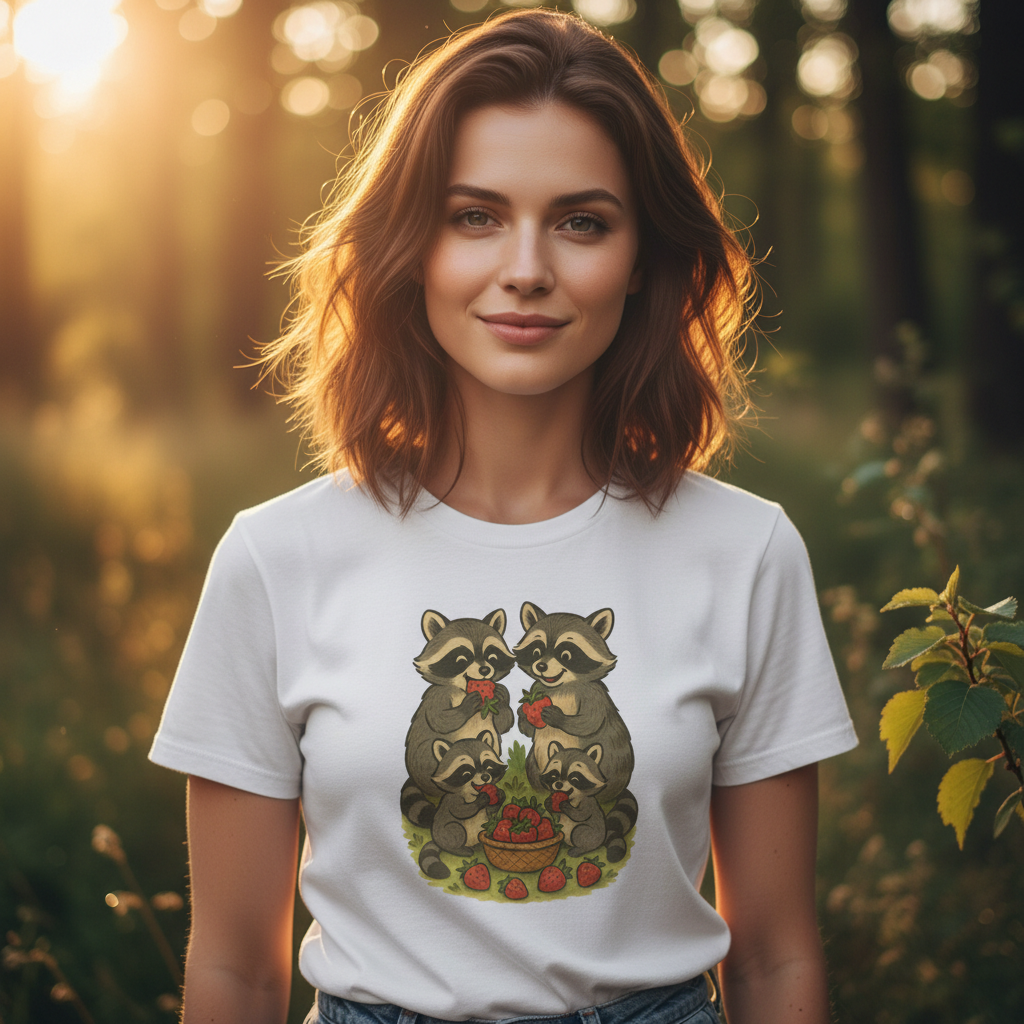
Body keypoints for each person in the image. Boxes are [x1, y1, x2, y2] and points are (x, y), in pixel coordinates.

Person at [149, 9, 857, 1024]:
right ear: (410, 246)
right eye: (474, 215)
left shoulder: (743, 552)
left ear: (643, 259)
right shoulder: (277, 556)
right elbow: (234, 969)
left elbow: (777, 962)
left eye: (581, 221)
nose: (526, 267)